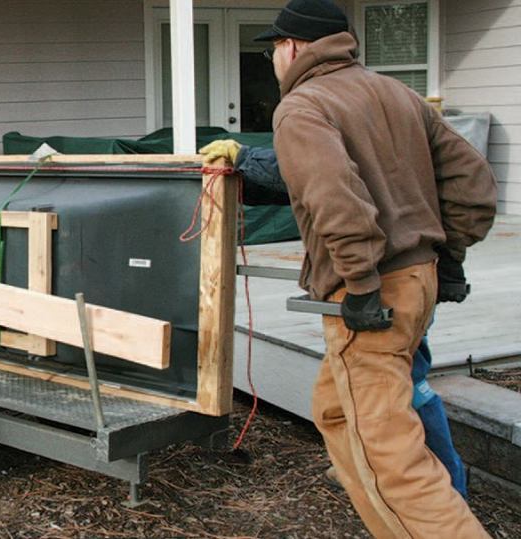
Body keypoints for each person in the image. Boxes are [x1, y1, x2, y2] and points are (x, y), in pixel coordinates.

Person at [251, 0, 498, 536]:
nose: (274, 58)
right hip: (418, 281)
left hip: (373, 293)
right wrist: (450, 256)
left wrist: (361, 284)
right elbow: (473, 184)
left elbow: (335, 200)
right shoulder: (397, 93)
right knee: (337, 412)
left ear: (292, 48)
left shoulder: (302, 108)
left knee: (391, 456)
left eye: (274, 48)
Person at [199, 138, 469, 499]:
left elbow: (319, 172)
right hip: (410, 271)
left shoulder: (350, 111)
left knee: (402, 384)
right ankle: (360, 466)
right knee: (354, 387)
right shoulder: (395, 118)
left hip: (384, 278)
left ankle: (448, 484)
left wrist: (249, 158)